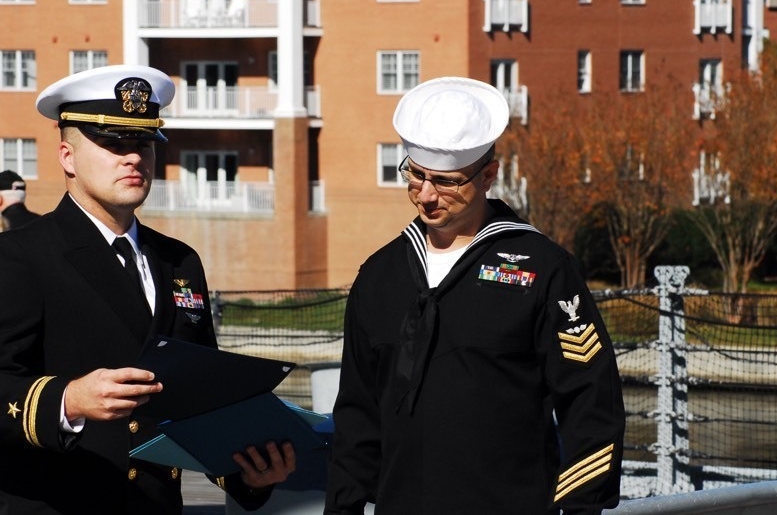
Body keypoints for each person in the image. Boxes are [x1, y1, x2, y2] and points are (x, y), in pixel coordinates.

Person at [0, 65, 295, 514]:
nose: (133, 158)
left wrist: (249, 474)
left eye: (143, 144)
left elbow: (203, 396)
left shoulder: (179, 261)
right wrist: (69, 399)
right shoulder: (21, 255)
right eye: (114, 145)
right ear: (67, 157)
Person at [324, 77, 626, 515]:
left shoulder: (543, 269)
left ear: (488, 174)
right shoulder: (379, 276)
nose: (426, 195)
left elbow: (591, 403)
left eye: (446, 181)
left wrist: (582, 509)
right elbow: (357, 414)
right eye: (415, 174)